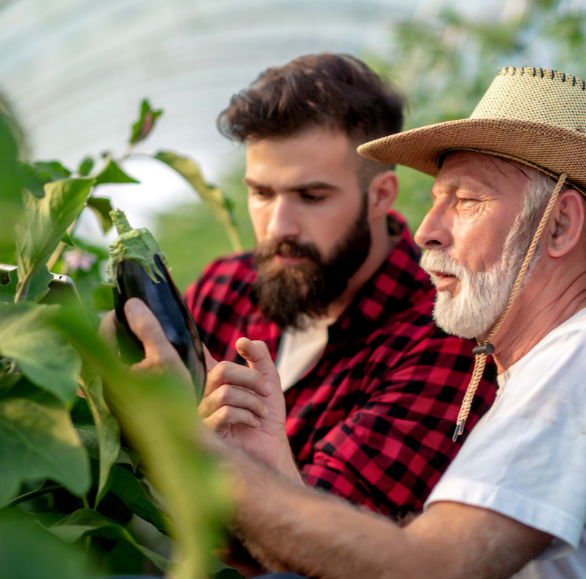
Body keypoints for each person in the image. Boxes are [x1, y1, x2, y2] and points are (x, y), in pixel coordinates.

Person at [127, 66, 586, 579]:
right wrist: (274, 469)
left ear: (559, 226)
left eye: (465, 201)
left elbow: (419, 578)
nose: (425, 232)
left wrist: (195, 447)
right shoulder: (532, 369)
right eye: (436, 200)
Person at [185, 52, 497, 520]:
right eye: (261, 194)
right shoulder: (225, 287)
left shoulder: (442, 340)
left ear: (380, 195)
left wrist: (173, 434)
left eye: (311, 197)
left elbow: (316, 553)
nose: (279, 226)